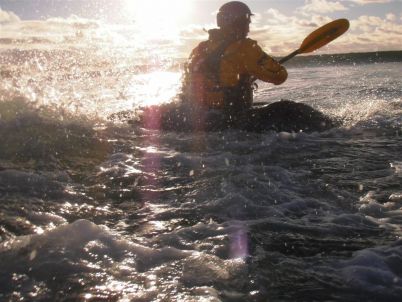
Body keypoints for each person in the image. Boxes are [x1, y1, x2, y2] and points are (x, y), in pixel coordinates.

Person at [180, 1, 288, 129]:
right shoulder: (246, 47)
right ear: (239, 23)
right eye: (246, 22)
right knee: (287, 110)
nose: (248, 27)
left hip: (203, 116)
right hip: (235, 119)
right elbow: (279, 77)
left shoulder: (201, 48)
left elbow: (188, 82)